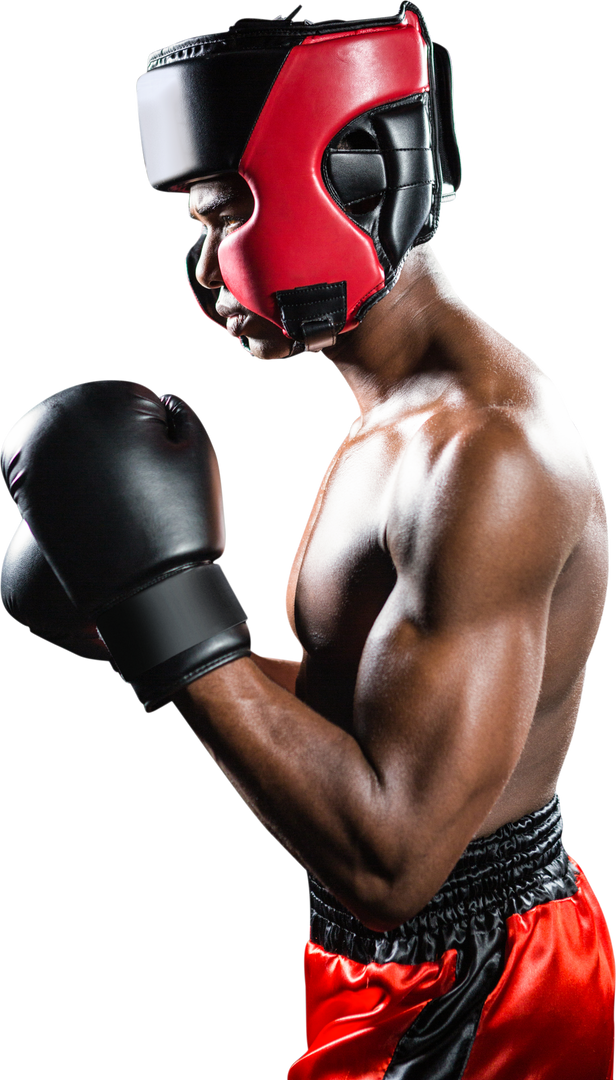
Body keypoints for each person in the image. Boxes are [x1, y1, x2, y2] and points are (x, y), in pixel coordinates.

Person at [1, 5, 613, 1077]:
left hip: (477, 987)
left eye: (224, 209)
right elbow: (363, 710)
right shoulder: (396, 413)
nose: (201, 267)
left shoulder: (485, 454)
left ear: (356, 181)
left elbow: (394, 862)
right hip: (400, 969)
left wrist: (173, 619)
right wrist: (133, 631)